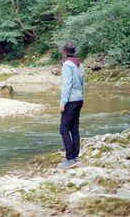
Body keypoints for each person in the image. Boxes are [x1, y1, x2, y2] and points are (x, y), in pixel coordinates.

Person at [57, 41, 85, 169]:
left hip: (70, 100)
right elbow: (83, 83)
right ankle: (75, 156)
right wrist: (80, 95)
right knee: (74, 128)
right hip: (79, 99)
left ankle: (69, 158)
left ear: (64, 52)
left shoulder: (67, 65)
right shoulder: (79, 64)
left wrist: (63, 102)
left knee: (63, 129)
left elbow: (67, 85)